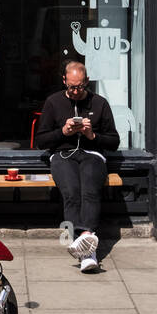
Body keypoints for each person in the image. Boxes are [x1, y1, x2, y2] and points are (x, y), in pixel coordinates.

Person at [35, 59, 120, 274]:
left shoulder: (99, 103)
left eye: (80, 86)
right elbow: (42, 141)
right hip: (63, 155)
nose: (75, 91)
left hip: (92, 154)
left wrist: (92, 135)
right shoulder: (53, 102)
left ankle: (82, 245)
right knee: (71, 191)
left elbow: (114, 141)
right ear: (64, 80)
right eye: (71, 86)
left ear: (87, 82)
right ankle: (87, 249)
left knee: (90, 190)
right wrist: (62, 132)